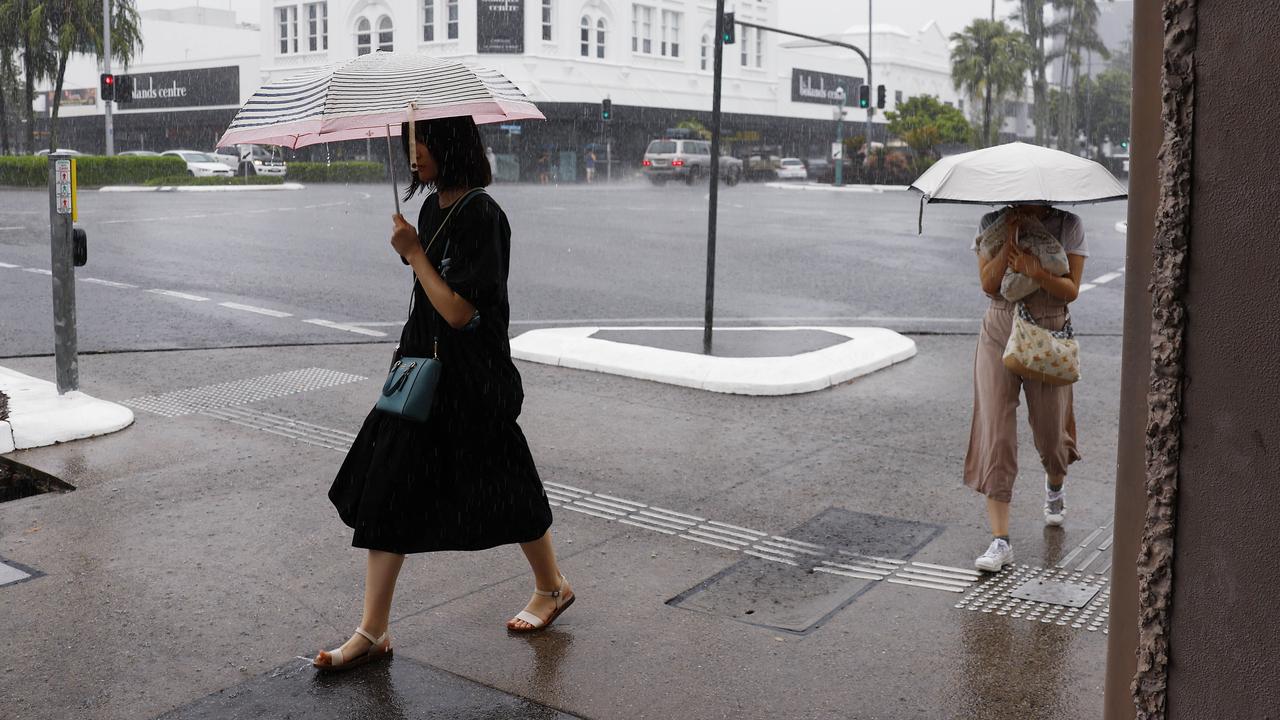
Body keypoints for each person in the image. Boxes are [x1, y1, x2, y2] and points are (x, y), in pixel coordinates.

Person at [314, 116, 573, 671]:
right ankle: (372, 631)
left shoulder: (483, 215)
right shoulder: (432, 209)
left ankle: (551, 587)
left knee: (506, 485)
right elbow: (430, 297)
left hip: (472, 382)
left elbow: (460, 311)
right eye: (409, 145)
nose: (414, 156)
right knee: (388, 491)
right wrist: (415, 249)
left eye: (421, 143)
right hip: (424, 374)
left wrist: (413, 254)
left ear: (450, 144)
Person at [965, 204, 1087, 572]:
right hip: (1000, 326)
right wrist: (1009, 240)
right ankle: (1000, 541)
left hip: (1046, 328)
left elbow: (1071, 290)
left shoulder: (1068, 225)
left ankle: (1054, 484)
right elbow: (989, 285)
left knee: (1051, 436)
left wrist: (1035, 269)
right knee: (996, 434)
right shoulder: (992, 223)